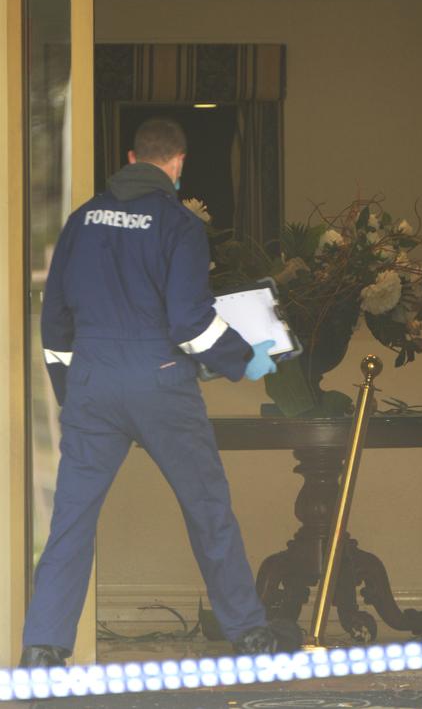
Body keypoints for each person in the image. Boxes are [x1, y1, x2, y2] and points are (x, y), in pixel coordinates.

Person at [20, 117, 302, 668]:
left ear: (129, 158)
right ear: (177, 165)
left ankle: (43, 649)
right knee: (208, 510)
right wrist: (246, 361)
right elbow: (190, 323)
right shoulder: (178, 225)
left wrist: (70, 389)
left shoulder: (81, 220)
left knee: (71, 520)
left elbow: (53, 318)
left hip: (93, 384)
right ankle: (249, 635)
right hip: (160, 381)